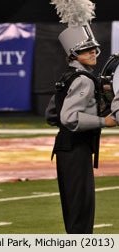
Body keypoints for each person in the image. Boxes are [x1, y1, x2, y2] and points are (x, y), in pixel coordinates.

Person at [45, 21, 116, 233]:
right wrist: (104, 121)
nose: (93, 52)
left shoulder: (67, 77)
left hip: (65, 148)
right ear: (74, 53)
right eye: (87, 49)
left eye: (93, 48)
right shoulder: (84, 80)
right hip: (77, 149)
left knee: (73, 208)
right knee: (81, 211)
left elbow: (51, 115)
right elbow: (69, 117)